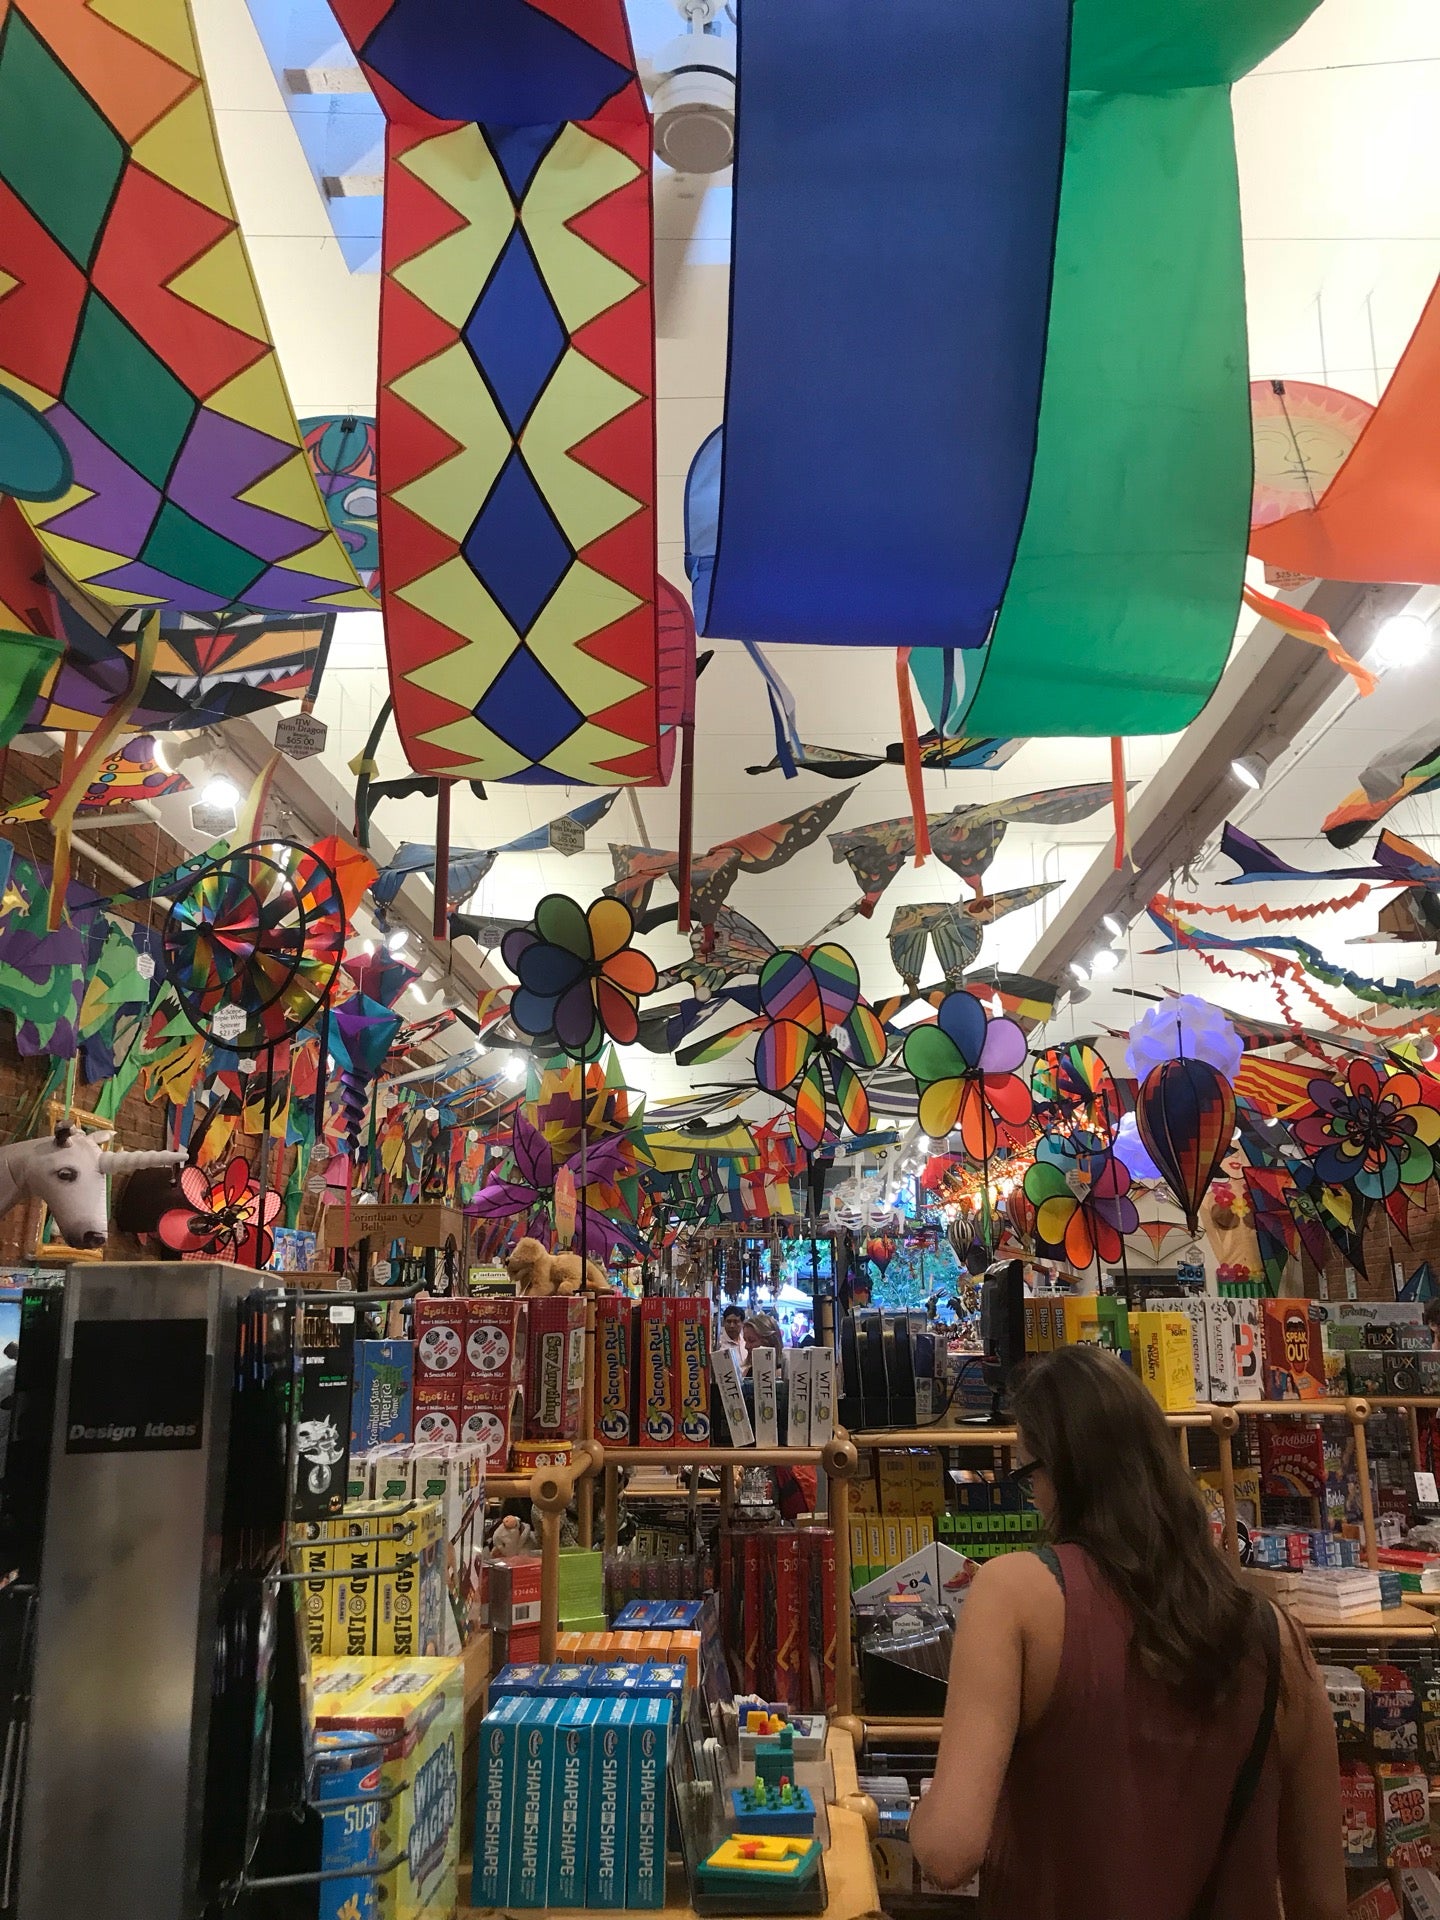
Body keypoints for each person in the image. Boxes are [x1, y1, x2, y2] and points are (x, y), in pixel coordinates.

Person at [908, 1345, 1345, 1920]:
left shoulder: (1013, 1594)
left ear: (1062, 1472)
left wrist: (908, 1815)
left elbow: (948, 1852)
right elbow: (1323, 1901)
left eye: (1028, 1473)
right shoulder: (1279, 1637)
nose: (1032, 1496)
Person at [716, 1303, 748, 1374]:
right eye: (729, 1321)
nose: (732, 1326)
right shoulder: (719, 1345)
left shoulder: (746, 1342)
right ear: (724, 1322)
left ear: (742, 1323)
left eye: (736, 1322)